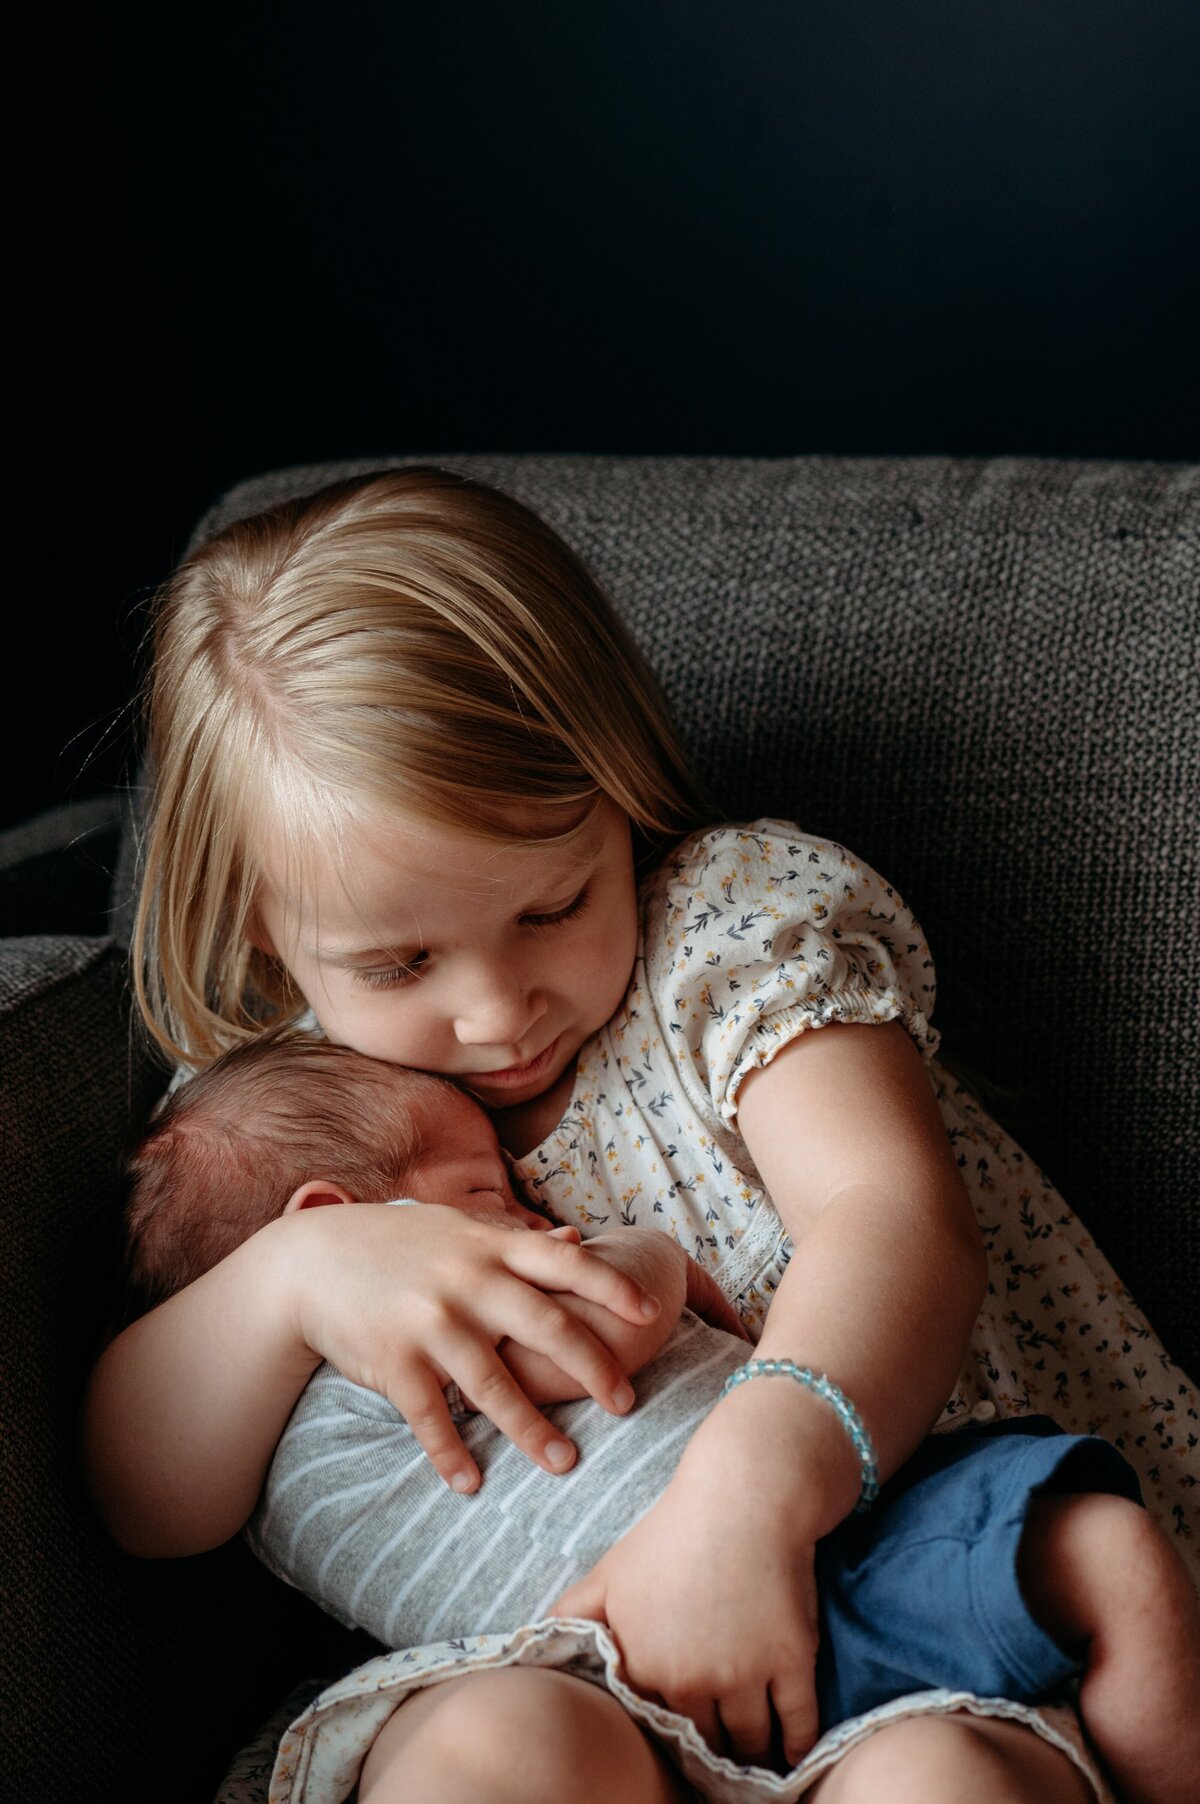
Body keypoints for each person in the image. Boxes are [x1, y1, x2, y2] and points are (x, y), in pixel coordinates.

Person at [84, 467, 1200, 1804]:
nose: (498, 1012)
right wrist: (292, 1278)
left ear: (616, 797)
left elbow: (891, 1221)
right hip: (554, 1672)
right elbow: (143, 1497)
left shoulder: (721, 944)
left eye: (552, 907)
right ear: (269, 933)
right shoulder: (265, 1117)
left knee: (941, 1785)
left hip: (901, 1601)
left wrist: (749, 1494)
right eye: (397, 964)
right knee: (489, 1758)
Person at [123, 1032, 1197, 1800]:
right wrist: (648, 1256)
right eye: (489, 1194)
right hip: (593, 1679)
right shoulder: (293, 1406)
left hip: (815, 1576)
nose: (541, 1218)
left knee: (1079, 1591)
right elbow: (130, 1489)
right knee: (484, 1755)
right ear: (344, 1222)